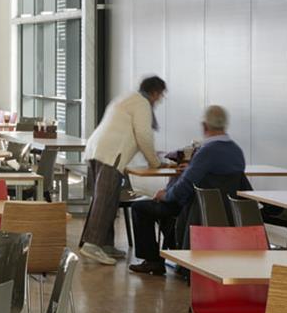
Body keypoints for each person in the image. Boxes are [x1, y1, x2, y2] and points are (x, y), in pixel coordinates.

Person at [127, 105, 248, 276]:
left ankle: (153, 261)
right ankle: (176, 250)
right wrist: (192, 168)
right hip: (225, 209)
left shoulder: (207, 152)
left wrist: (165, 195)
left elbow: (183, 188)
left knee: (140, 208)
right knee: (166, 211)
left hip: (197, 208)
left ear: (205, 126)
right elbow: (213, 176)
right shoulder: (236, 151)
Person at [78, 75, 168, 266]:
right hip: (111, 154)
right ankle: (92, 245)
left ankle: (105, 244)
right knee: (104, 200)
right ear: (154, 92)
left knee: (109, 199)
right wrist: (155, 162)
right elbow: (143, 135)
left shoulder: (128, 98)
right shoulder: (142, 104)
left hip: (97, 150)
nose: (160, 99)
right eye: (160, 95)